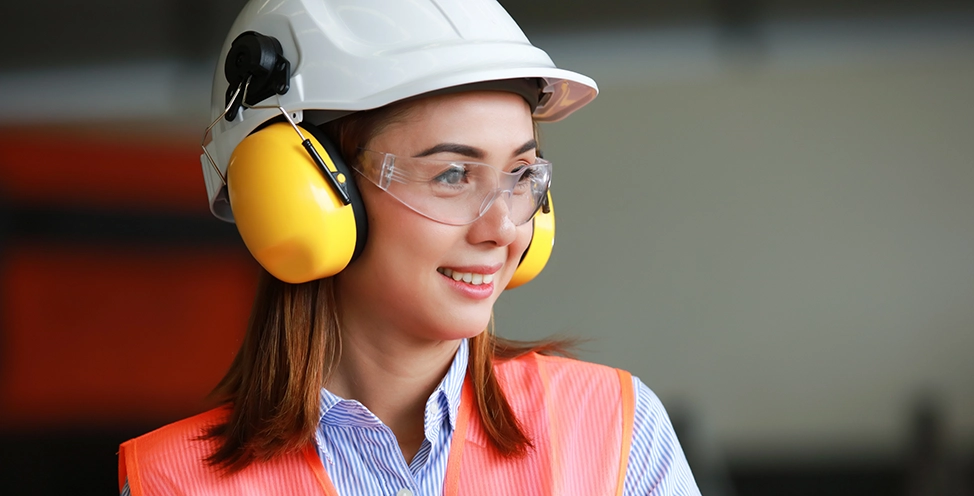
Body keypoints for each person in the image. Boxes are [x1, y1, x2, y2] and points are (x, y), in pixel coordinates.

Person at [118, 0, 701, 494]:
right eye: (452, 175)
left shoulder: (614, 429)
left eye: (521, 175)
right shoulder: (170, 481)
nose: (502, 228)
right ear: (305, 193)